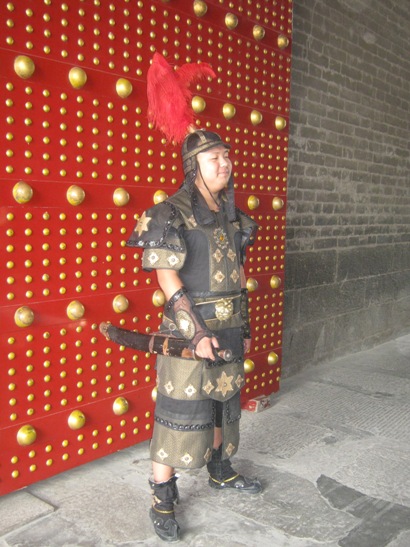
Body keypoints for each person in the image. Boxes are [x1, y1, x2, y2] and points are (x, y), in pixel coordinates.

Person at [127, 130, 261, 542]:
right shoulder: (169, 213)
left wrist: (244, 326)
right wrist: (197, 333)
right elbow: (168, 280)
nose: (225, 164)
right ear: (193, 166)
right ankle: (162, 499)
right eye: (213, 157)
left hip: (228, 326)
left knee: (223, 403)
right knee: (177, 413)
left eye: (226, 155)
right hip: (188, 332)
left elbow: (239, 277)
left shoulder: (233, 215)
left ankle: (219, 470)